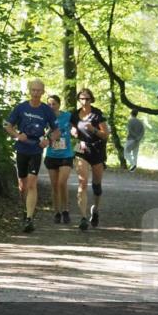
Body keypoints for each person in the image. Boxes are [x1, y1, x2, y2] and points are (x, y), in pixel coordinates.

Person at [3, 79, 57, 233]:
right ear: (29, 90)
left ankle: (29, 218)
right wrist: (17, 135)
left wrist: (48, 139)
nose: (36, 93)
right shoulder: (21, 108)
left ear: (43, 92)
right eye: (33, 90)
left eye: (38, 91)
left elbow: (56, 130)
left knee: (32, 183)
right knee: (23, 186)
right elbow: (6, 125)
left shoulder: (46, 110)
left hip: (36, 150)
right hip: (21, 149)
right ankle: (25, 209)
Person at [69, 88, 109, 230]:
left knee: (96, 185)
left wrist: (94, 130)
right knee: (82, 183)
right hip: (81, 150)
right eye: (82, 99)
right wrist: (72, 130)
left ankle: (95, 210)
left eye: (87, 99)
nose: (84, 101)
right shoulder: (75, 114)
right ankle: (83, 217)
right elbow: (71, 126)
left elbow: (105, 135)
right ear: (79, 100)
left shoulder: (97, 114)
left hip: (97, 150)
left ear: (92, 99)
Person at [44, 94, 74, 224]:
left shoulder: (67, 116)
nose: (51, 107)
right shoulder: (45, 118)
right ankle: (57, 212)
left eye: (53, 104)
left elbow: (77, 127)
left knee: (62, 183)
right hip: (52, 155)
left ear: (59, 105)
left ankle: (66, 210)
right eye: (49, 105)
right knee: (55, 186)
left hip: (66, 155)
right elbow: (40, 133)